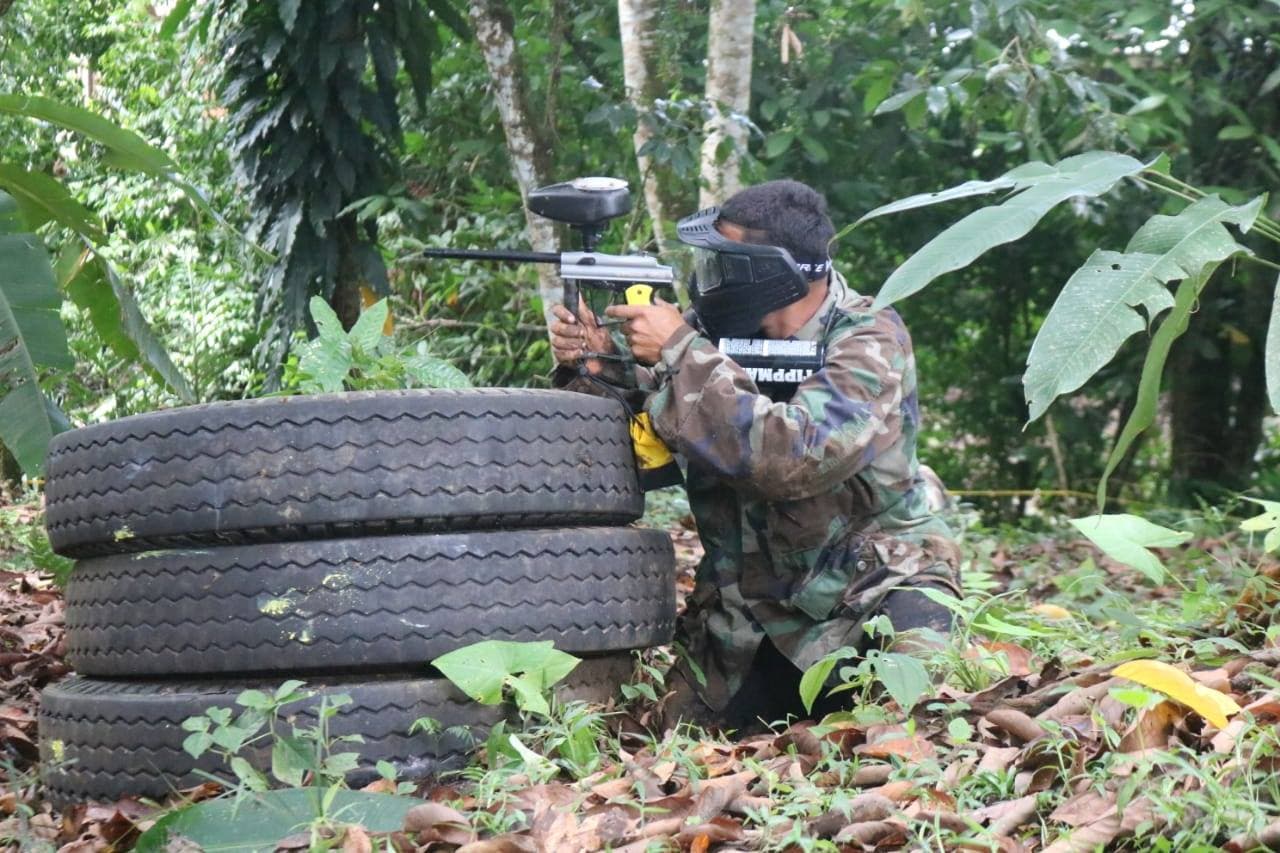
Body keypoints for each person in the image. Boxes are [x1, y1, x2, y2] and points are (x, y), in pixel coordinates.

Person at [549, 179, 960, 729]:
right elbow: (653, 442)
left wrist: (679, 352)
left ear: (770, 273)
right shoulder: (709, 335)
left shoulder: (869, 337)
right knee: (668, 743)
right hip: (748, 617)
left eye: (726, 263)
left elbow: (796, 456)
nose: (710, 278)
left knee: (915, 727)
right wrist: (602, 368)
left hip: (869, 598)